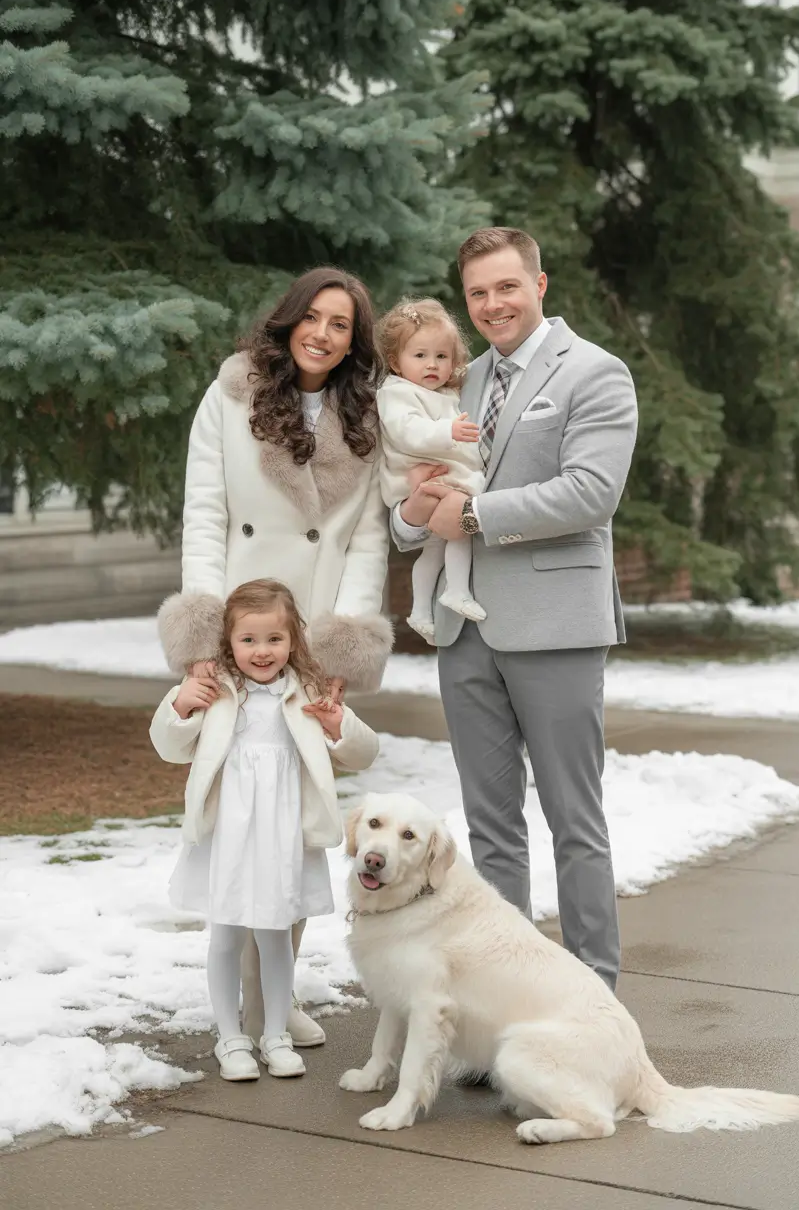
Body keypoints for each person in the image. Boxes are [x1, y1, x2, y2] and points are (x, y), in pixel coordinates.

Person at [391, 227, 638, 993]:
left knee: (574, 821)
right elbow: (413, 500)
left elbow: (590, 492)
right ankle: (504, 995)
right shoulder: (453, 385)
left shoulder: (595, 373)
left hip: (556, 623)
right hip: (464, 628)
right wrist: (412, 513)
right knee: (490, 826)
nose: (492, 304)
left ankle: (594, 992)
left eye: (505, 287)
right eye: (477, 294)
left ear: (540, 284)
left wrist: (467, 516)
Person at [157, 267, 392, 1048]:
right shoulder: (231, 396)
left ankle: (276, 998)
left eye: (342, 326)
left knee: (294, 819)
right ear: (289, 319)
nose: (323, 334)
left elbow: (366, 540)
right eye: (313, 318)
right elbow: (205, 513)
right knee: (239, 813)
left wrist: (341, 642)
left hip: (310, 628)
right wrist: (202, 637)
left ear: (355, 344)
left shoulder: (368, 417)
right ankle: (241, 1004)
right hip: (243, 624)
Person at [151, 579, 379, 1081]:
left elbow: (363, 753)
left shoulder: (309, 694)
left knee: (277, 935)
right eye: (248, 640)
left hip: (282, 835)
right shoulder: (214, 690)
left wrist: (339, 724)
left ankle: (274, 1032)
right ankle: (229, 1038)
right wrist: (183, 705)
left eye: (274, 639)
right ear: (228, 642)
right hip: (227, 834)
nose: (261, 651)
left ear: (293, 640)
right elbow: (169, 745)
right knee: (226, 935)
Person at [376, 298, 484, 643]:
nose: (431, 365)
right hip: (422, 480)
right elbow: (407, 431)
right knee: (460, 529)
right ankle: (457, 589)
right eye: (420, 356)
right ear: (396, 361)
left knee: (434, 549)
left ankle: (420, 609)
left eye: (441, 356)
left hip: (440, 477)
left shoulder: (446, 392)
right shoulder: (396, 393)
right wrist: (447, 432)